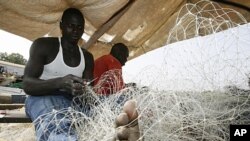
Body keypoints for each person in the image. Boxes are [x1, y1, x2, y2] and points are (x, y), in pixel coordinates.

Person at [23, 7, 139, 141]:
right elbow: (27, 84)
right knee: (54, 124)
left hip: (73, 101)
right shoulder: (44, 45)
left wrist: (84, 90)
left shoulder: (87, 57)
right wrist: (59, 82)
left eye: (79, 27)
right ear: (61, 25)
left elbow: (89, 91)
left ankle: (127, 124)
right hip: (42, 98)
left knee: (118, 100)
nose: (75, 31)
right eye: (71, 26)